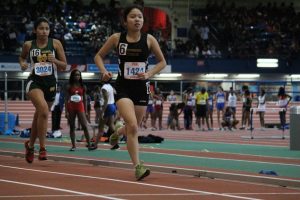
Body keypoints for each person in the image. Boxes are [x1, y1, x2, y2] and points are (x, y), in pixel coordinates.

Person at [94, 4, 166, 181]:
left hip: (141, 88)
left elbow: (162, 62)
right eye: (133, 16)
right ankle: (138, 167)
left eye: (140, 17)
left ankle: (117, 133)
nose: (137, 20)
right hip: (123, 87)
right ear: (125, 20)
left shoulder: (149, 40)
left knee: (133, 127)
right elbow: (98, 56)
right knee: (132, 126)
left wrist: (149, 73)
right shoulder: (117, 38)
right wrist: (103, 71)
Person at [19, 17, 67, 163]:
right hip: (34, 82)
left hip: (51, 83)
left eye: (47, 28)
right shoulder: (29, 45)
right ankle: (43, 148)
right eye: (41, 28)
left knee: (39, 115)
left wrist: (55, 61)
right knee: (44, 111)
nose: (44, 31)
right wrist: (23, 64)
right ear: (35, 30)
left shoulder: (56, 43)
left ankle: (30, 145)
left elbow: (64, 65)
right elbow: (22, 58)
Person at [65, 69, 92, 151]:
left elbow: (85, 100)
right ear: (72, 76)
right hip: (71, 107)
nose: (77, 76)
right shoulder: (69, 86)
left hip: (80, 107)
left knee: (84, 125)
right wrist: (66, 112)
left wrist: (86, 111)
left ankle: (89, 145)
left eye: (78, 75)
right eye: (76, 75)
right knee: (72, 127)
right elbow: (66, 99)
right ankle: (73, 146)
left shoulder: (83, 86)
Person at [90, 79, 117, 150]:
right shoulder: (110, 86)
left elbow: (106, 100)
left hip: (107, 106)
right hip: (112, 105)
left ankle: (95, 145)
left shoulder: (104, 88)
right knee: (111, 126)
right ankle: (116, 144)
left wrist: (102, 112)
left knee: (100, 128)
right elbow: (115, 92)